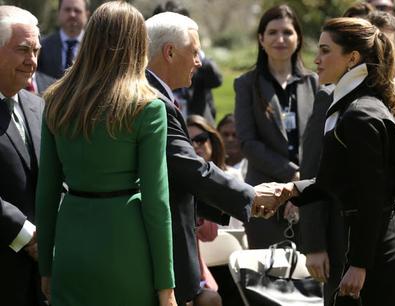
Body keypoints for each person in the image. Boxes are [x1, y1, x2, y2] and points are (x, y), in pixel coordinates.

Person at [36, 2, 176, 306]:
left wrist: (45, 267)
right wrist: (166, 285)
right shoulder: (148, 107)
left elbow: (45, 193)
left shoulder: (56, 100)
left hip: (70, 244)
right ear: (137, 45)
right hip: (126, 248)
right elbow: (157, 202)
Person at [144, 11, 288, 306]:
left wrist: (238, 203)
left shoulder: (154, 94)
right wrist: (250, 196)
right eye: (194, 52)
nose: (199, 61)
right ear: (170, 52)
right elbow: (189, 169)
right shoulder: (153, 100)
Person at [288, 17, 395, 305]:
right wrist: (290, 191)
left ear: (352, 58)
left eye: (325, 50)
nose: (316, 59)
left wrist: (359, 265)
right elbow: (340, 180)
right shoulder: (353, 105)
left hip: (378, 263)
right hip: (374, 255)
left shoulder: (358, 113)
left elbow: (371, 197)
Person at [234, 4, 319, 249]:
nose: (280, 39)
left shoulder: (314, 83)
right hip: (264, 199)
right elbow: (248, 143)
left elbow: (320, 140)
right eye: (272, 32)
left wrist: (302, 187)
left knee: (310, 277)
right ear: (261, 39)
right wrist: (292, 176)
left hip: (310, 196)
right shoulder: (247, 84)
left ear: (298, 38)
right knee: (267, 278)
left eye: (287, 32)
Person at [0, 5, 45, 306]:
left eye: (37, 50)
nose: (32, 61)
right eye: (23, 50)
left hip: (42, 275)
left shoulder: (38, 106)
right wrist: (26, 234)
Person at [37, 0, 89, 80]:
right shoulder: (42, 46)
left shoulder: (96, 46)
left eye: (77, 10)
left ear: (87, 14)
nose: (72, 14)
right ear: (58, 14)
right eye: (67, 10)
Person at [217, 113, 247, 178]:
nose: (230, 139)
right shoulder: (213, 168)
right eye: (225, 134)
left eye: (235, 135)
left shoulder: (254, 168)